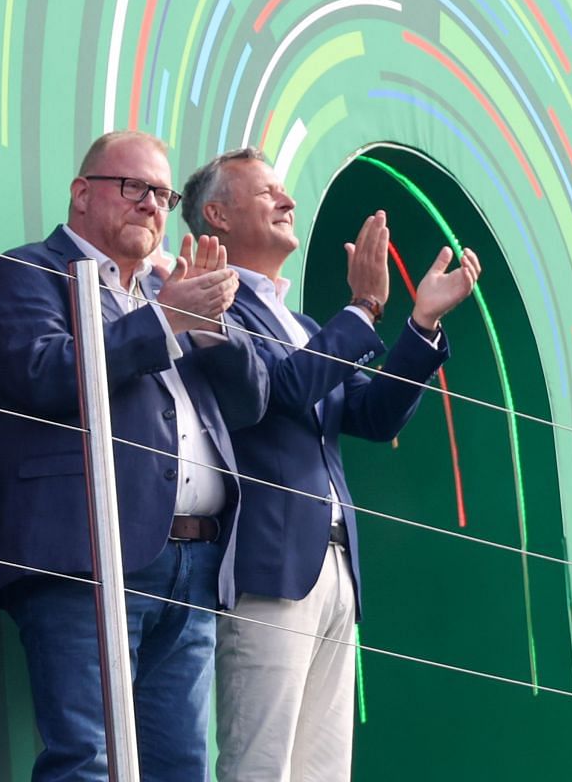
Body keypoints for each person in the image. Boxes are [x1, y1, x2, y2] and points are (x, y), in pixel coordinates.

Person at [0, 129, 268, 782]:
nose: (151, 205)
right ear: (81, 194)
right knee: (90, 762)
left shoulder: (170, 291)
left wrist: (211, 327)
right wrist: (163, 320)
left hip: (195, 562)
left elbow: (252, 404)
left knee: (179, 768)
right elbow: (46, 374)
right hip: (87, 559)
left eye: (163, 193)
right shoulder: (24, 275)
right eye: (133, 187)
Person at [179, 149, 479, 781]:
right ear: (217, 216)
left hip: (336, 566)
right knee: (260, 764)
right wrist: (363, 309)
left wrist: (419, 324)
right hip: (270, 565)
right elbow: (279, 392)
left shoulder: (302, 321)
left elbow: (372, 417)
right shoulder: (214, 307)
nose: (288, 202)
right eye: (268, 193)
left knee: (323, 770)